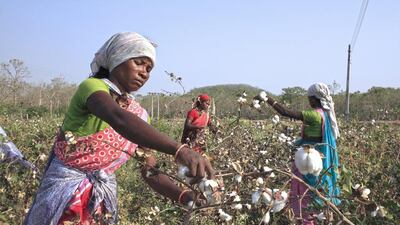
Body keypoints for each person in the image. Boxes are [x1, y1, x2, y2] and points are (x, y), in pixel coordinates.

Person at [24, 32, 214, 225]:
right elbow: (118, 118)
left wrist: (184, 196)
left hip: (100, 205)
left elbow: (149, 169)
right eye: (139, 63)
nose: (144, 73)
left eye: (149, 69)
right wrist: (179, 150)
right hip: (64, 198)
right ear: (117, 58)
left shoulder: (139, 115)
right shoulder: (92, 88)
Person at [257, 83, 340, 224]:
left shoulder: (314, 115)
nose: (309, 101)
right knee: (316, 190)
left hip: (310, 159)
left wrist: (267, 99)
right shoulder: (325, 114)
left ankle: (308, 219)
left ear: (316, 99)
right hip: (316, 157)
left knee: (307, 191)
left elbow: (285, 112)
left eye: (310, 98)